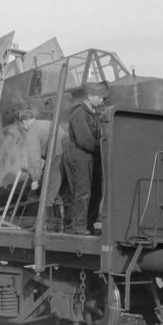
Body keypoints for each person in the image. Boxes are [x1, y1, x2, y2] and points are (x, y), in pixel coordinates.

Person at [62, 81, 109, 235]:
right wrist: (103, 147)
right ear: (89, 96)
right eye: (100, 97)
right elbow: (84, 140)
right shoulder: (79, 114)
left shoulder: (94, 114)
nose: (102, 100)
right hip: (81, 157)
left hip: (92, 157)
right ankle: (79, 226)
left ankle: (89, 224)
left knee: (96, 192)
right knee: (83, 192)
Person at [19, 109, 66, 229]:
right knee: (60, 192)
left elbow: (34, 157)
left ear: (24, 122)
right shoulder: (46, 123)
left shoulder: (32, 132)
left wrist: (35, 178)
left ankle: (43, 225)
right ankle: (60, 224)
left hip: (57, 157)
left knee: (47, 192)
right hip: (68, 155)